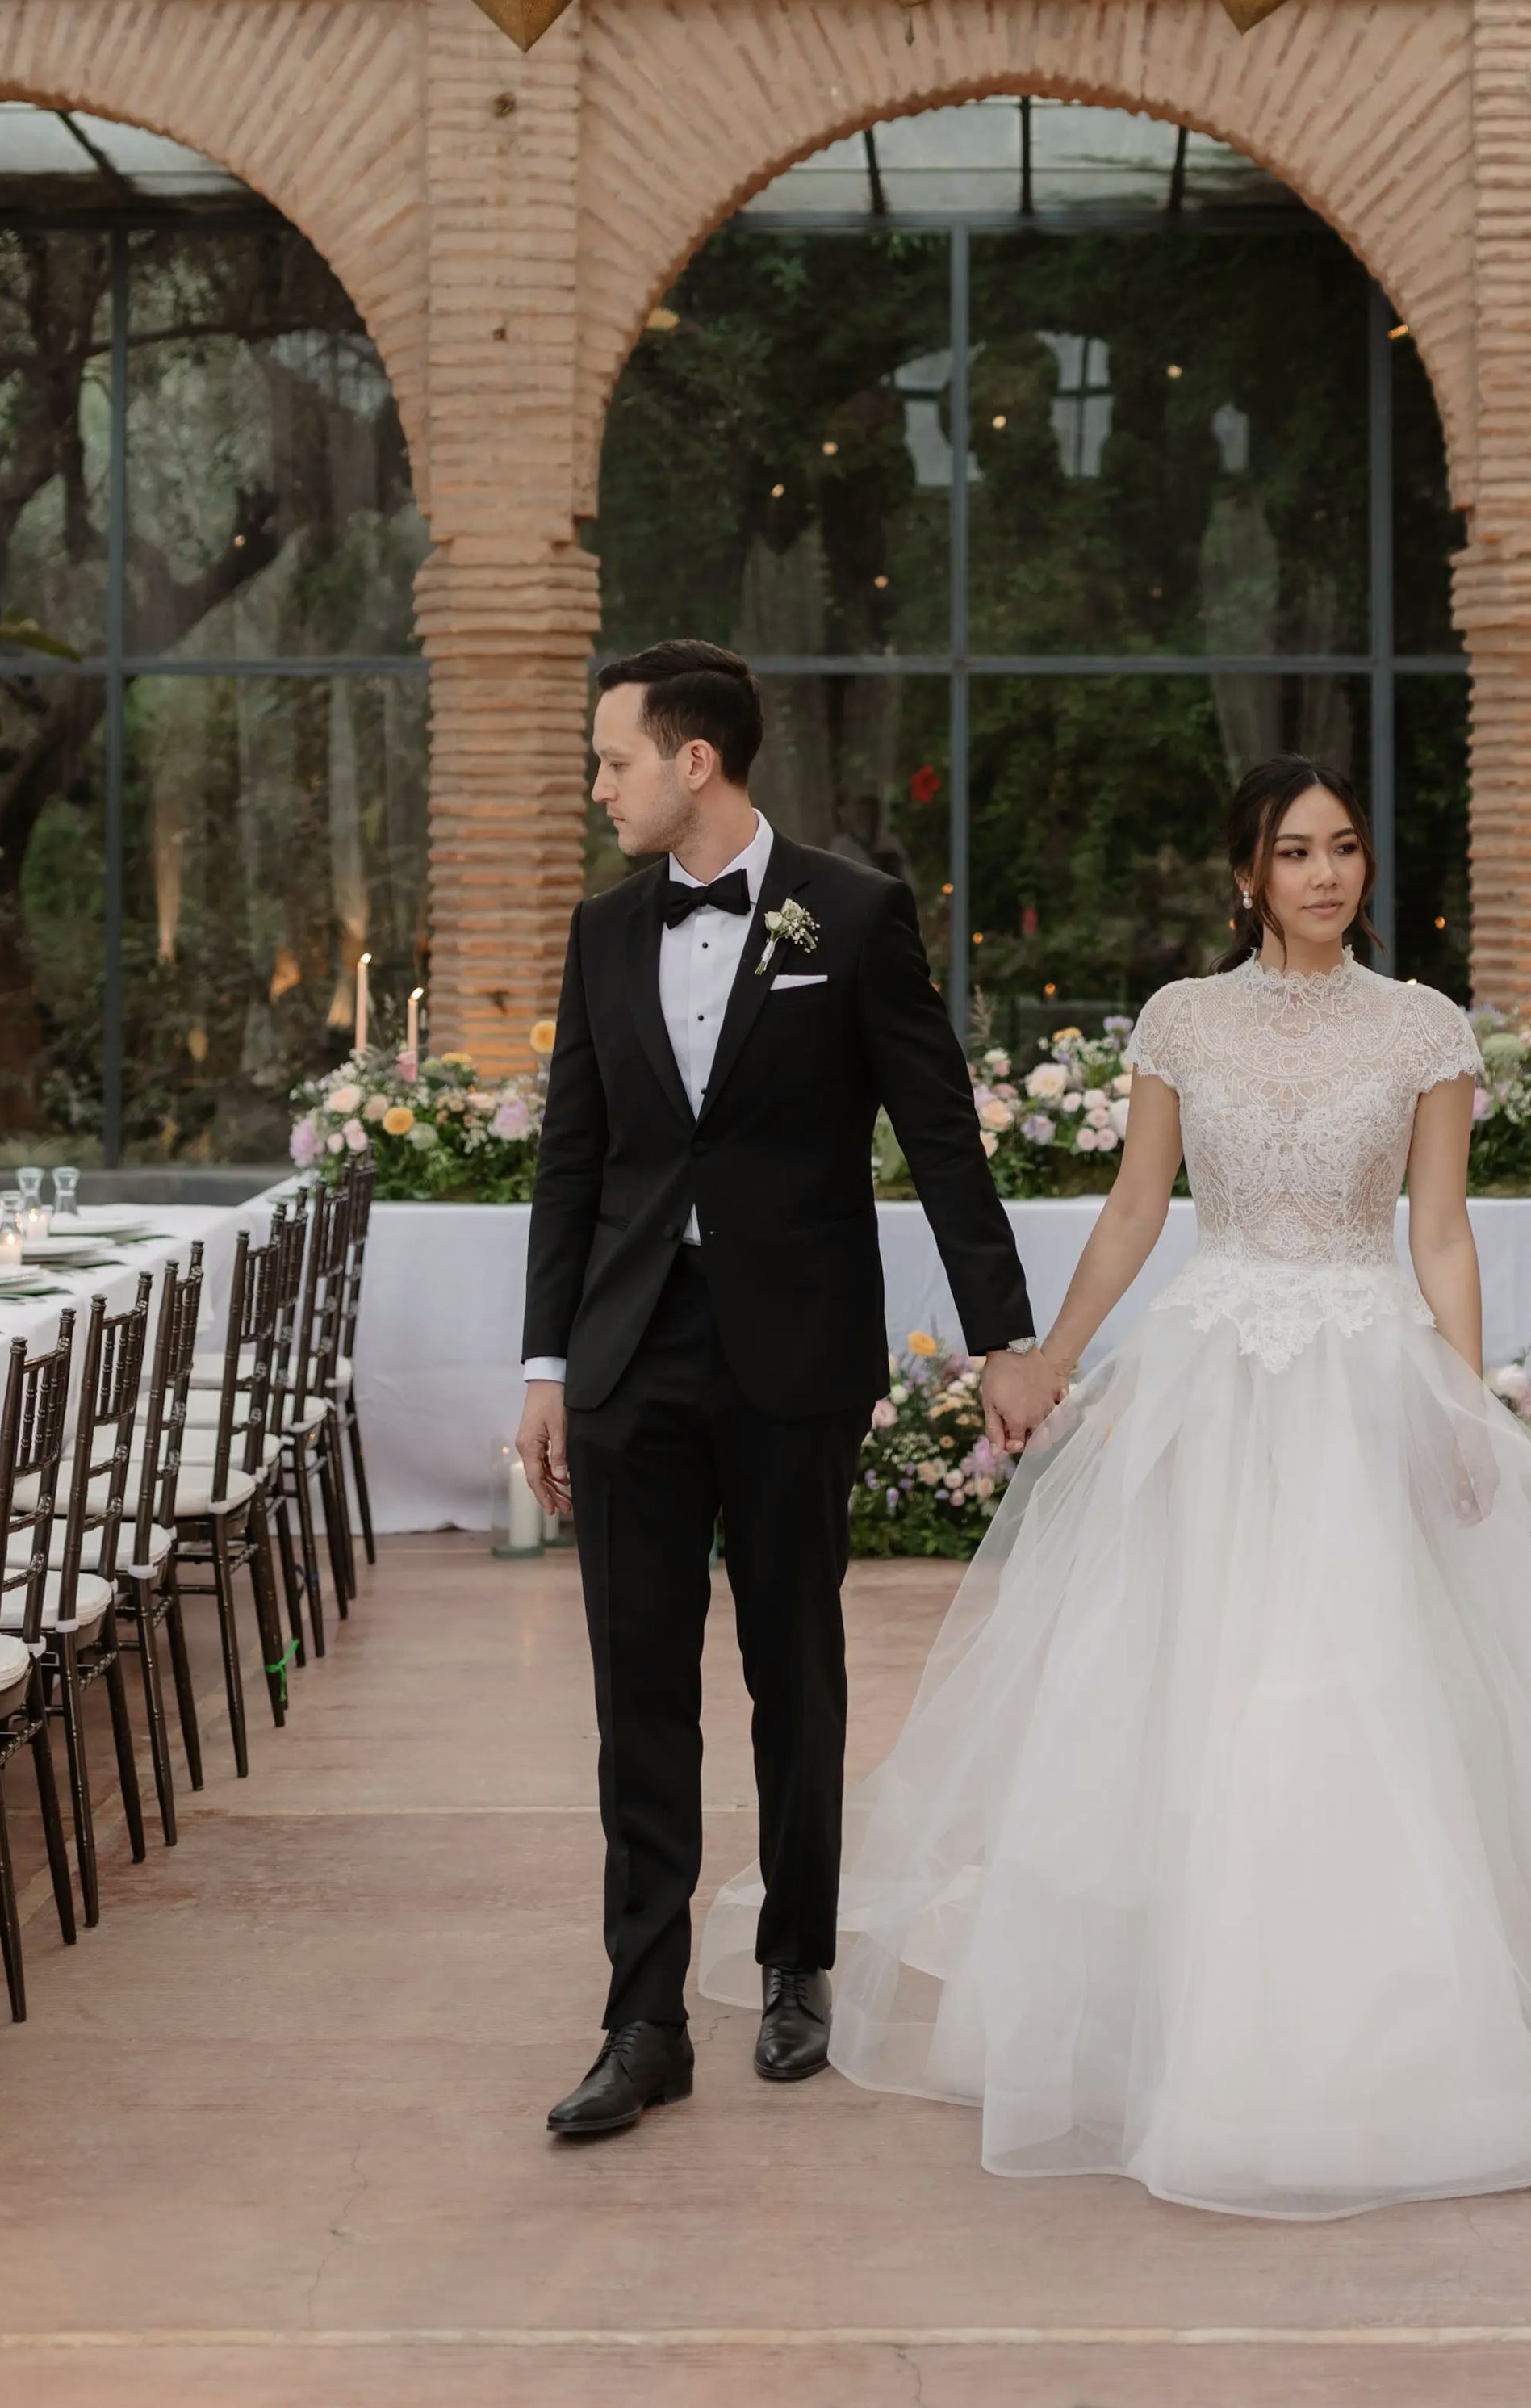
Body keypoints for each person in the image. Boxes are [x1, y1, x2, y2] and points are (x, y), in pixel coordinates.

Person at [700, 756, 1531, 2219]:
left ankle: (1389, 1989)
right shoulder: (1183, 1020)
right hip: (1212, 1381)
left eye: (1344, 847)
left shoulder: (1422, 1026)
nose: (1326, 873)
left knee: (1359, 1676)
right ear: (1248, 875)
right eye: (1295, 851)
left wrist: (1464, 1403)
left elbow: (1443, 1232)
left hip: (1363, 1375)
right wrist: (1050, 1353)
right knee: (1189, 1679)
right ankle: (1191, 1976)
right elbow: (1139, 1207)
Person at [516, 639, 1049, 2146]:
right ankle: (642, 2015)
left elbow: (942, 1137)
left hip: (795, 1355)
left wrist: (1002, 1333)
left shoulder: (854, 914)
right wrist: (549, 1362)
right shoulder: (603, 930)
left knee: (794, 1673)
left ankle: (797, 1960)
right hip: (630, 1359)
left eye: (613, 757)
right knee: (638, 1697)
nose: (597, 783)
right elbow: (574, 1157)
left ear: (696, 761)